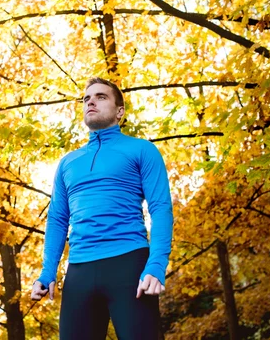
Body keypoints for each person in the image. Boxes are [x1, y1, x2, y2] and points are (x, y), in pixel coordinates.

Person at [31, 77, 174, 340]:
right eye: (86, 99)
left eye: (101, 96)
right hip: (79, 272)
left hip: (129, 266)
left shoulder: (142, 150)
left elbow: (161, 208)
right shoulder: (67, 163)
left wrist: (156, 264)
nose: (91, 102)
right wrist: (48, 270)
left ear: (120, 111)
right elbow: (57, 219)